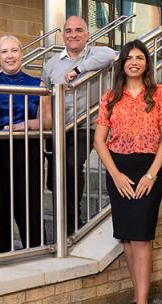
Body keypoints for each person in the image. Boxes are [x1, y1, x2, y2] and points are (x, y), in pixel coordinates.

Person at [94, 40, 162, 304]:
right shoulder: (110, 96)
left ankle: (141, 301)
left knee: (142, 238)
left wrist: (152, 174)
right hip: (119, 170)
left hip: (147, 169)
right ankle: (138, 294)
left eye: (140, 57)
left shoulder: (159, 93)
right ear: (122, 63)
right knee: (127, 238)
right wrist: (115, 174)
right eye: (129, 57)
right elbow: (99, 141)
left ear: (147, 63)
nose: (134, 62)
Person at [41, 15, 118, 234]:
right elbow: (44, 93)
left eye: (78, 30)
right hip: (58, 127)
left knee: (72, 165)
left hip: (86, 125)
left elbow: (112, 55)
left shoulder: (97, 54)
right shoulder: (52, 63)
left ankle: (73, 221)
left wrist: (78, 70)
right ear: (63, 35)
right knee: (55, 176)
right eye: (68, 31)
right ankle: (63, 218)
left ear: (87, 34)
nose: (73, 35)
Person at [0, 35, 51, 254]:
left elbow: (48, 121)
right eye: (4, 52)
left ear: (22, 53)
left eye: (14, 50)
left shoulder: (39, 85)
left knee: (28, 206)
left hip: (26, 151)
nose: (9, 56)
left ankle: (35, 254)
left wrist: (25, 125)